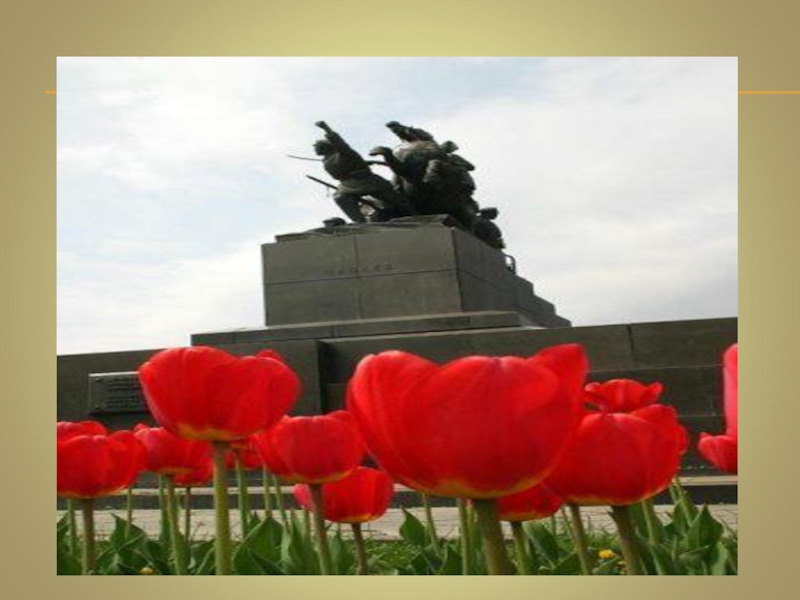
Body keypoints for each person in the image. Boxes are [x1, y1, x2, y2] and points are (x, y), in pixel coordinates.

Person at [313, 121, 414, 222]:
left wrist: (326, 128)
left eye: (317, 145)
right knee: (340, 197)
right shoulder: (327, 159)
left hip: (366, 180)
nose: (315, 148)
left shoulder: (343, 152)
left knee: (396, 199)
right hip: (347, 184)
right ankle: (359, 221)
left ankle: (412, 214)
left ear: (326, 146)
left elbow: (340, 143)